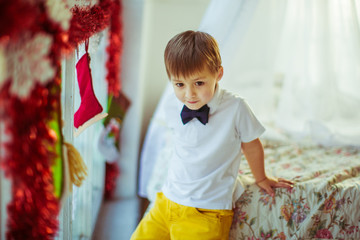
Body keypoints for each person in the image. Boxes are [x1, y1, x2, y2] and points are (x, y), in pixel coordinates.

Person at [131, 30, 293, 240]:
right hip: (167, 201)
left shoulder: (235, 107)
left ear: (218, 74)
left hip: (205, 212)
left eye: (199, 83)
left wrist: (260, 177)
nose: (189, 94)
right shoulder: (172, 104)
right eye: (179, 84)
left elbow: (251, 145)